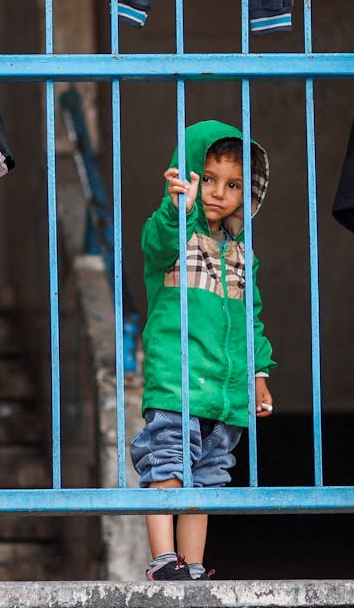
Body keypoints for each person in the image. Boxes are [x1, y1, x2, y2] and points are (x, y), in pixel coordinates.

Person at [131, 120, 275, 581]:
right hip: (176, 380)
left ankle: (191, 566)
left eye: (233, 184)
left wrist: (258, 377)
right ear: (189, 173)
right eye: (207, 178)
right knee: (166, 466)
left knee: (207, 480)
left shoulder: (241, 255)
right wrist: (179, 207)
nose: (218, 192)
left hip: (224, 392)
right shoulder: (174, 238)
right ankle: (162, 560)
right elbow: (155, 239)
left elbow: (252, 321)